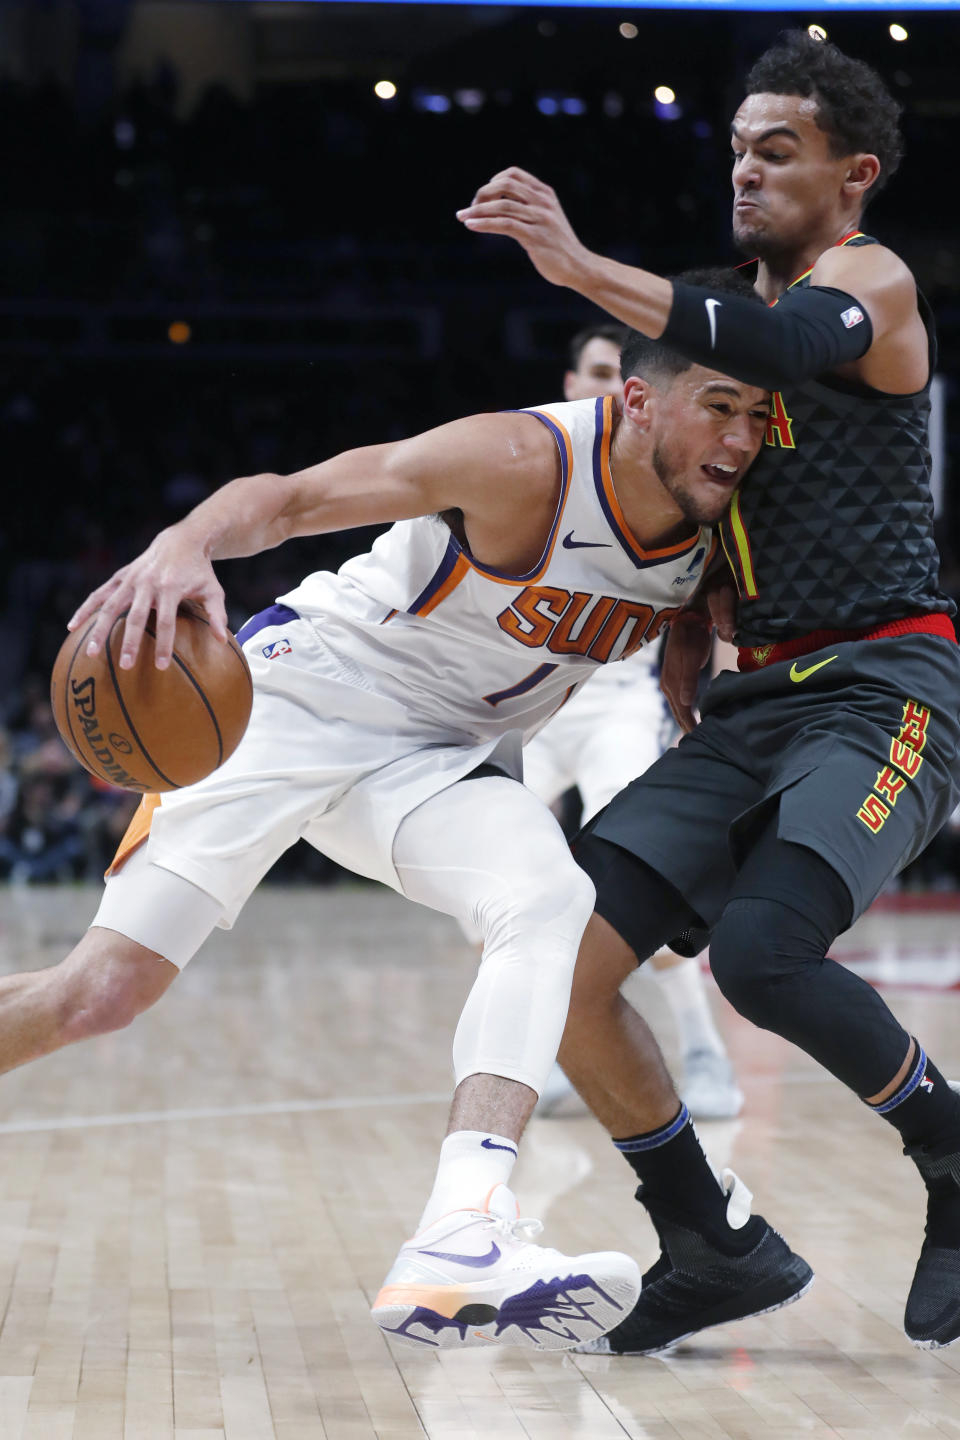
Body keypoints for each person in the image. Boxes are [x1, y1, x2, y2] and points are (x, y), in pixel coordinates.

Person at [3, 277, 778, 1354]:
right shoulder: (524, 461)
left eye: (755, 416)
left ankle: (461, 1236)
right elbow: (288, 497)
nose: (739, 437)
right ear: (637, 404)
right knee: (99, 995)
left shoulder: (715, 525)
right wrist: (182, 543)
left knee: (549, 897)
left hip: (434, 757)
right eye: (718, 406)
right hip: (297, 700)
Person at [458, 29, 960, 1353]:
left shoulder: (871, 282)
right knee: (563, 967)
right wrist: (689, 612)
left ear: (853, 174)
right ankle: (713, 1243)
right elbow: (688, 483)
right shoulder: (713, 312)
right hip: (752, 697)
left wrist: (574, 267)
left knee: (762, 957)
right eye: (736, 149)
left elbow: (788, 340)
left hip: (885, 682)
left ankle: (952, 1156)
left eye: (776, 151)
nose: (745, 170)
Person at [531, 323, 743, 1121]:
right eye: (592, 372)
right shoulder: (532, 458)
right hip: (525, 715)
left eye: (616, 378)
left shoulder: (671, 478)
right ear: (569, 380)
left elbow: (717, 608)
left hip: (615, 709)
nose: (604, 389)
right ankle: (544, 1051)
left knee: (644, 895)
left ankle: (704, 1051)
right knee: (496, 899)